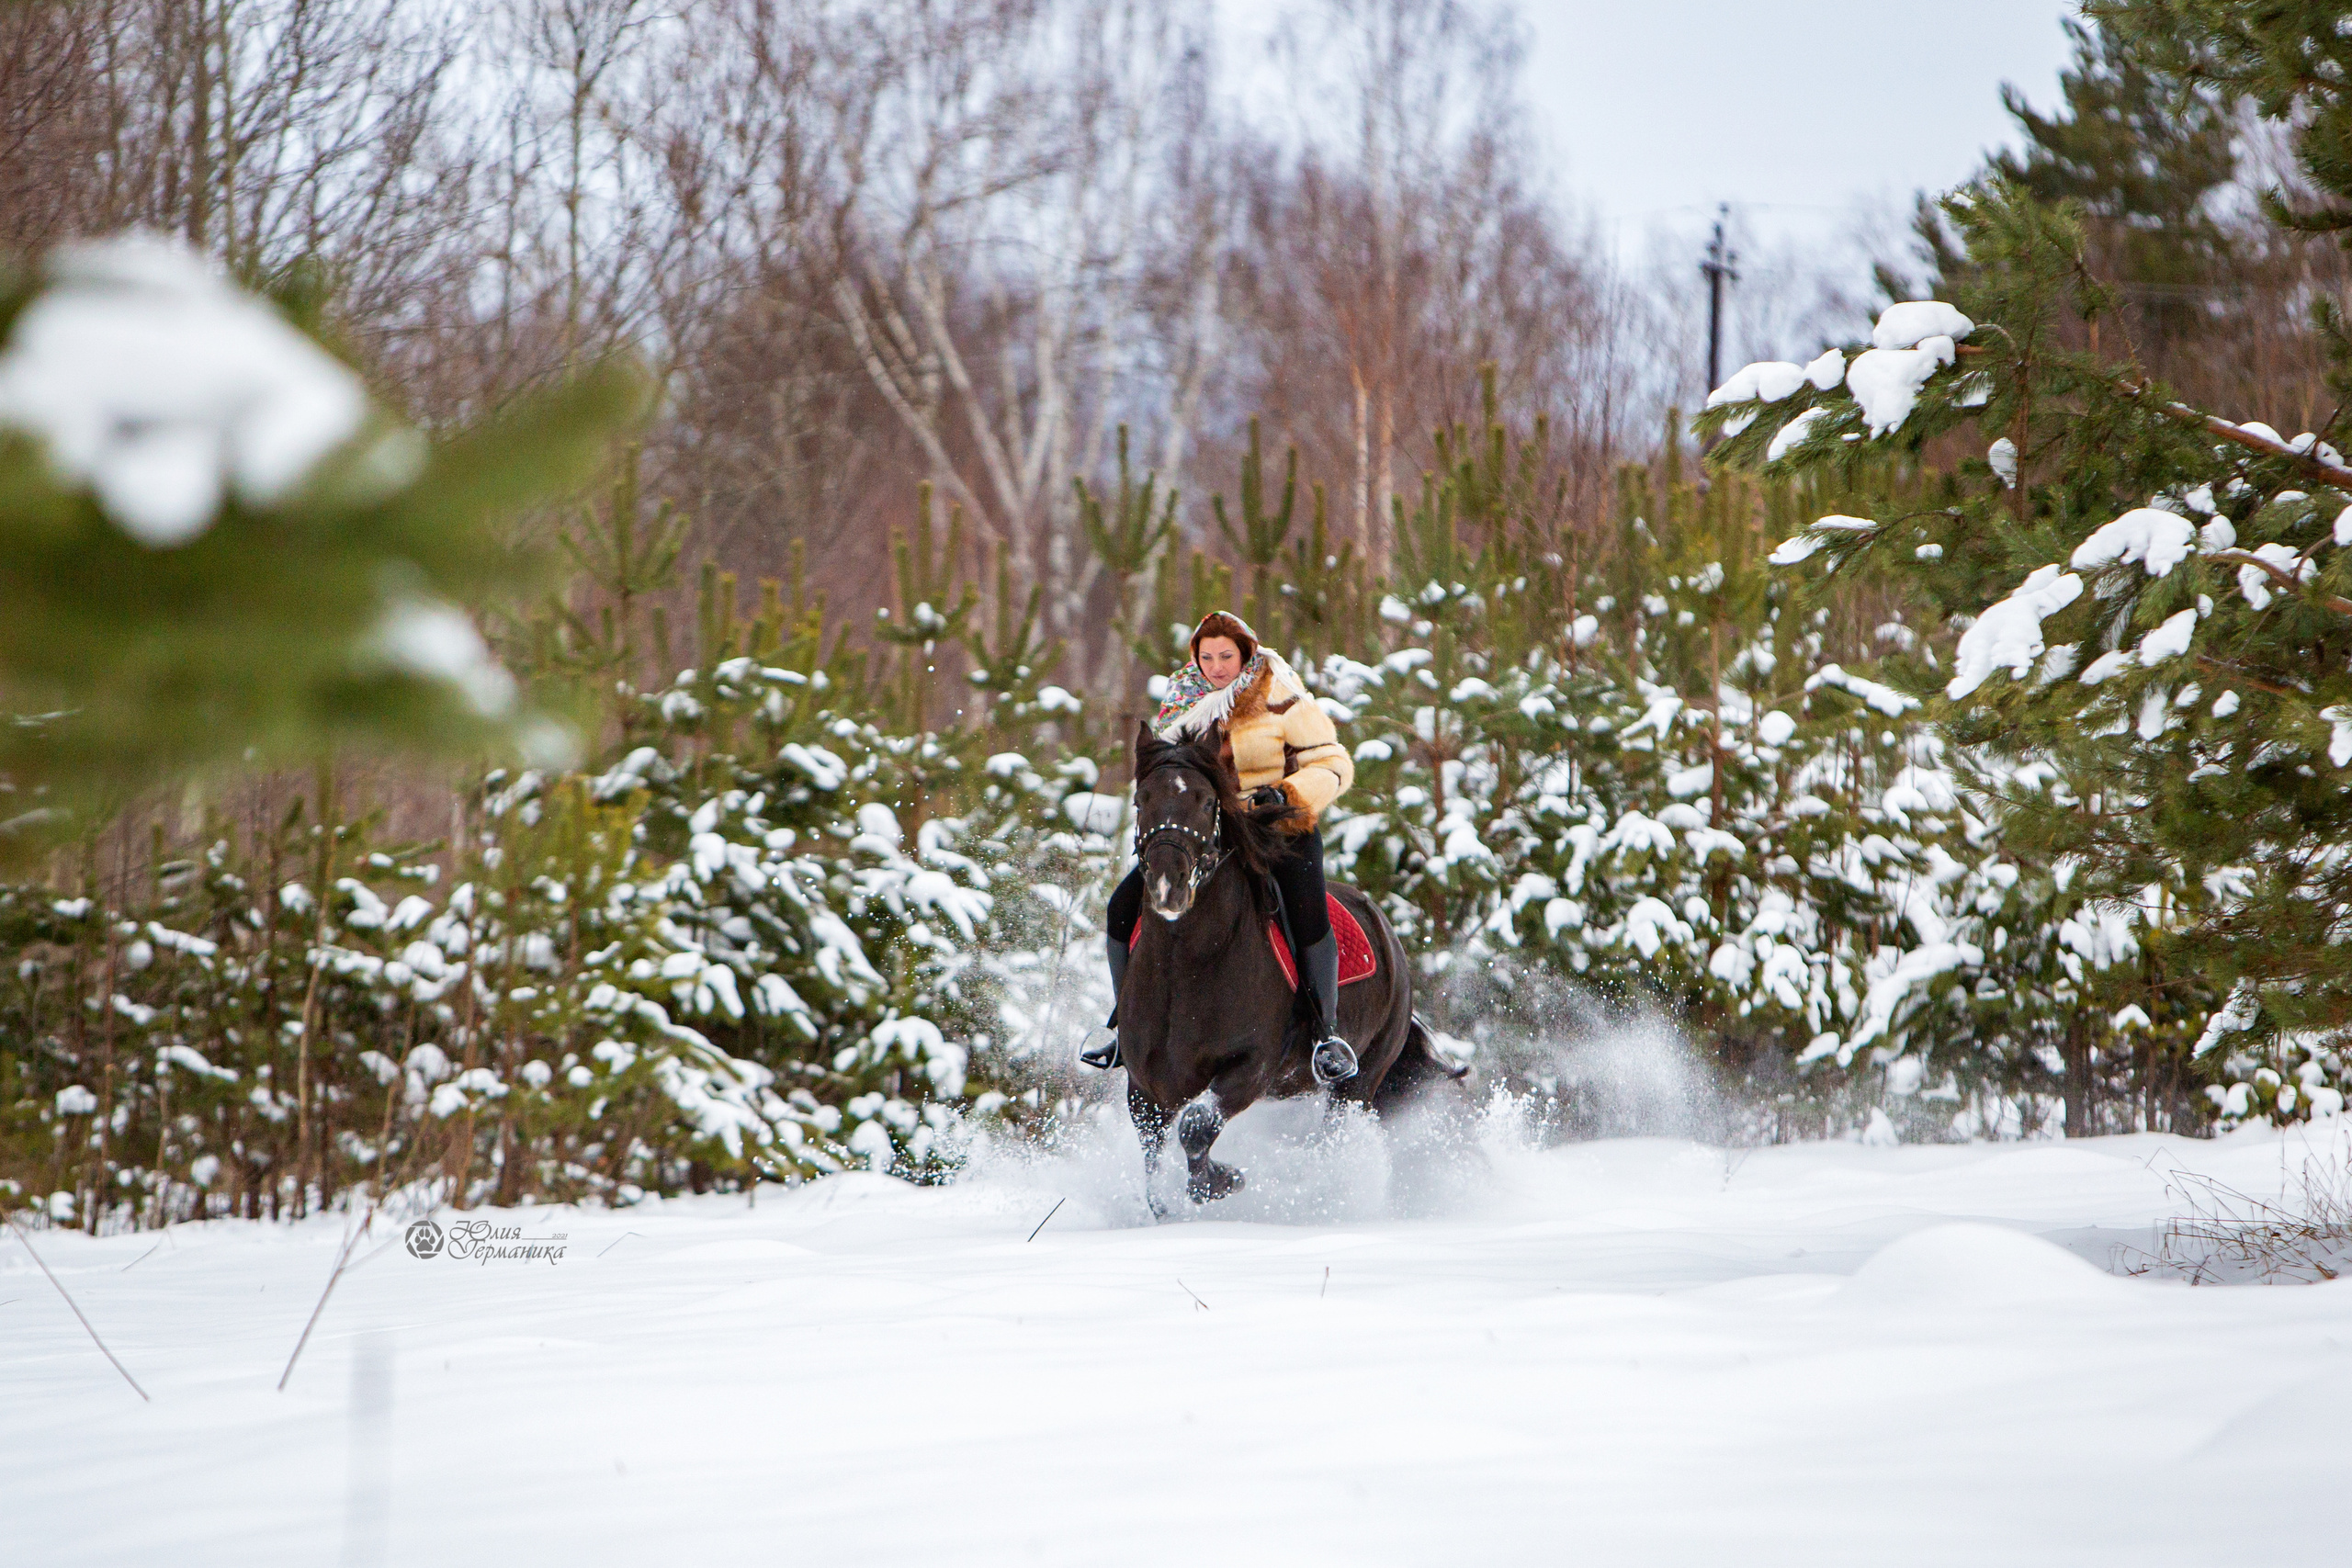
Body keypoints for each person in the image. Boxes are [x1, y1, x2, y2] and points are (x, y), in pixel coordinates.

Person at [1080, 611, 1359, 1083]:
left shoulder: (1279, 696)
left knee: (1305, 912)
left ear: (1245, 652)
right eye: (1206, 656)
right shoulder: (1182, 701)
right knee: (1121, 907)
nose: (1216, 666)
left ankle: (1324, 1034)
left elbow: (1334, 762)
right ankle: (1125, 1029)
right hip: (1206, 834)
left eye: (1226, 656)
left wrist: (1287, 795)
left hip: (1277, 828)